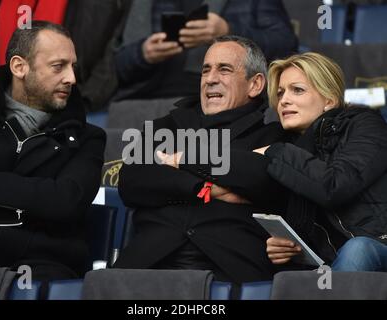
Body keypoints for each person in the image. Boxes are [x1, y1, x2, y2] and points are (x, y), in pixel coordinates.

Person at [114, 35, 291, 285]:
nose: (210, 79)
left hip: (228, 267)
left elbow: (262, 179)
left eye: (224, 69)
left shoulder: (275, 135)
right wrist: (205, 188)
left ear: (255, 84)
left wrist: (184, 160)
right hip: (149, 262)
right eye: (205, 70)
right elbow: (132, 182)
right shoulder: (163, 128)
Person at [0, 21, 106, 281]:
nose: (71, 78)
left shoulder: (89, 138)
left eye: (72, 67)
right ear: (19, 67)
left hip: (45, 269)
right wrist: (36, 199)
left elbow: (66, 201)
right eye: (58, 66)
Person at [255, 52, 387, 271]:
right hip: (330, 268)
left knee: (358, 249)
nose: (284, 100)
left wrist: (275, 151)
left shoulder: (365, 125)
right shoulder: (289, 147)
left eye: (297, 90)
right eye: (280, 93)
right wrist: (286, 247)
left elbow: (334, 186)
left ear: (329, 100)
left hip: (379, 245)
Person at [108, 0, 298, 129]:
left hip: (220, 98)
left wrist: (228, 31)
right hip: (143, 96)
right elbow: (109, 69)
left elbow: (286, 45)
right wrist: (142, 53)